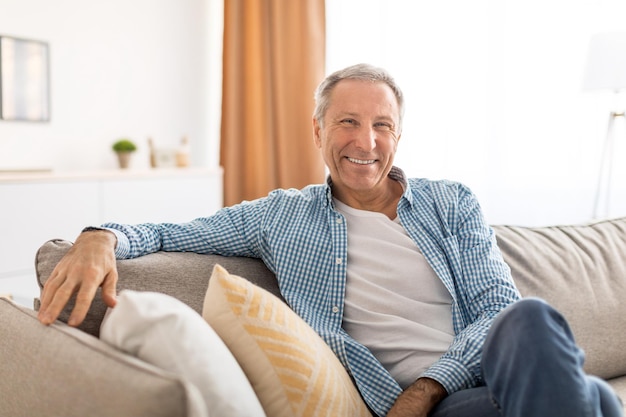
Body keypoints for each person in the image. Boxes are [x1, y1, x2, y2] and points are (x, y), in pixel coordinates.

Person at [38, 63, 623, 417]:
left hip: (479, 377)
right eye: (347, 122)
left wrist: (423, 389)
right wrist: (98, 236)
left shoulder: (451, 202)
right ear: (318, 130)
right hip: (455, 409)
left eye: (381, 125)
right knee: (587, 402)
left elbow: (497, 311)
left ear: (399, 135)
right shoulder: (281, 217)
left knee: (529, 319)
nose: (364, 141)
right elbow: (168, 230)